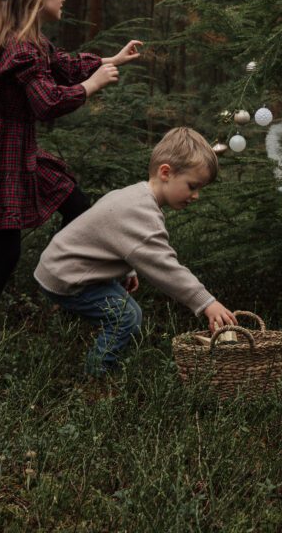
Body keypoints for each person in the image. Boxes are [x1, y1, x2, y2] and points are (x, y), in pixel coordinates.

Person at [0, 0, 142, 364]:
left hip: (19, 149)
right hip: (0, 154)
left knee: (75, 201)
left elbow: (64, 66)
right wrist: (92, 86)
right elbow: (47, 102)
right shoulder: (20, 49)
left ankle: (86, 281)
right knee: (6, 253)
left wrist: (111, 61)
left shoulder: (30, 40)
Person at [34, 126, 236, 375]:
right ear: (166, 172)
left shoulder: (136, 195)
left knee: (129, 312)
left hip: (64, 265)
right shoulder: (141, 212)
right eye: (192, 186)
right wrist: (206, 303)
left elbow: (112, 236)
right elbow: (164, 266)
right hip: (67, 276)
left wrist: (128, 270)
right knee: (125, 317)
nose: (196, 196)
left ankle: (102, 363)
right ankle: (97, 374)